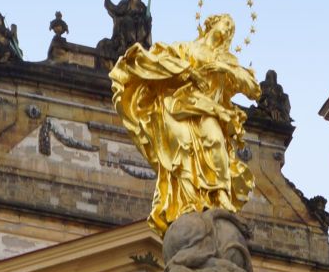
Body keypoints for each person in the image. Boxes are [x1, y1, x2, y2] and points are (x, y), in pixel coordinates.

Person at [110, 13, 261, 231]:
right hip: (180, 106)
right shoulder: (187, 48)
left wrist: (225, 69)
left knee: (215, 140)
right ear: (211, 23)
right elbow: (159, 61)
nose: (228, 30)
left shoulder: (228, 60)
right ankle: (187, 201)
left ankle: (219, 194)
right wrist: (188, 73)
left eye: (232, 29)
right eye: (226, 24)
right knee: (181, 152)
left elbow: (254, 89)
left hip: (208, 110)